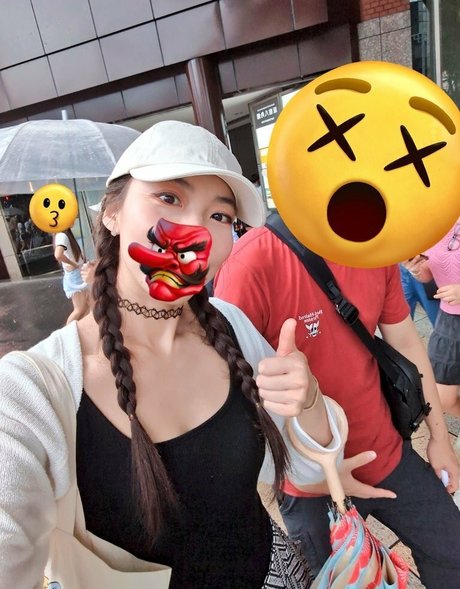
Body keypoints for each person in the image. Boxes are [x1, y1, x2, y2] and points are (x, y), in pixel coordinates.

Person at [0, 121, 350, 589]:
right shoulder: (30, 392)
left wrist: (307, 400)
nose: (194, 231)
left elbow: (305, 470)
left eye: (220, 216)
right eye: (168, 197)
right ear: (112, 213)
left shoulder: (231, 327)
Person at [213, 216, 460, 588]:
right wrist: (314, 477)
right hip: (310, 482)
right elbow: (233, 397)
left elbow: (407, 342)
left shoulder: (376, 249)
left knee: (453, 554)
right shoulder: (251, 262)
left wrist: (440, 439)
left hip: (386, 452)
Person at [403, 217, 460, 417]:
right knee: (442, 398)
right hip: (449, 318)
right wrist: (415, 269)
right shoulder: (440, 217)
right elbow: (429, 272)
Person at [53, 227, 89, 324]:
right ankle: (68, 331)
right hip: (75, 274)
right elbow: (58, 255)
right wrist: (74, 264)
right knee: (80, 309)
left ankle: (81, 329)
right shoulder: (62, 235)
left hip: (76, 273)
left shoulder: (62, 235)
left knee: (85, 307)